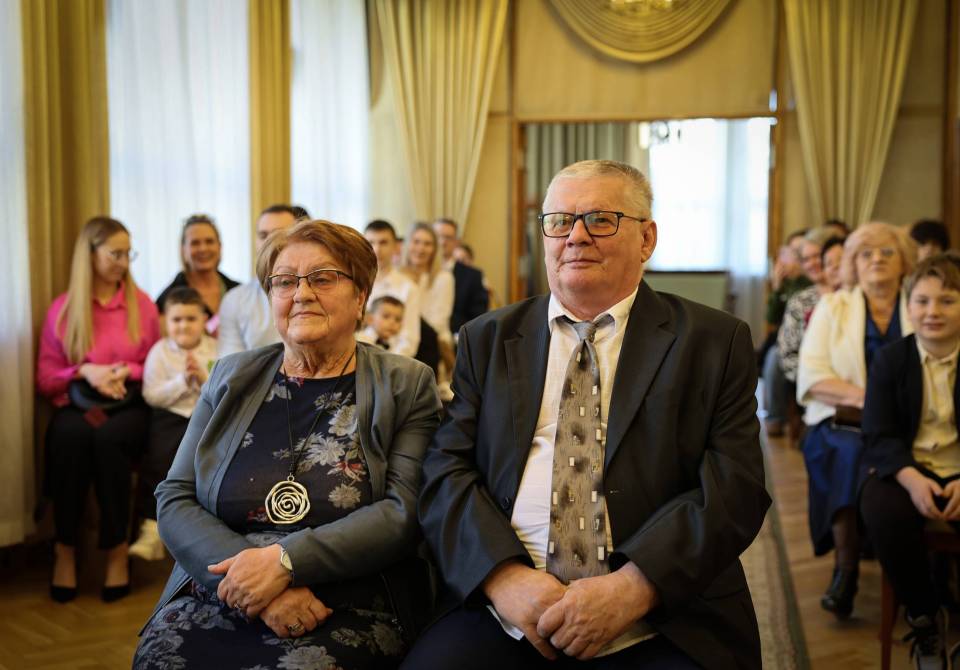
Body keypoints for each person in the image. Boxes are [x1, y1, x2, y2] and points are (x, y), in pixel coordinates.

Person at [405, 160, 770, 669]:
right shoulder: (487, 339)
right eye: (559, 221)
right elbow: (446, 471)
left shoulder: (713, 341)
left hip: (662, 608)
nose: (576, 236)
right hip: (505, 603)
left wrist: (634, 587)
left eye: (600, 219)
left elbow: (735, 487)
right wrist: (503, 578)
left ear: (646, 239)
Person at [134, 219, 441, 669]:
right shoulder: (230, 377)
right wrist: (256, 583)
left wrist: (284, 563)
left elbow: (402, 512)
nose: (301, 294)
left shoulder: (405, 384)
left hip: (345, 598)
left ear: (361, 296)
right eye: (284, 281)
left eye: (323, 278)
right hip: (221, 585)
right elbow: (175, 496)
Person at [36, 216, 160, 603]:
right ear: (90, 255)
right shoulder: (63, 309)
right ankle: (65, 549)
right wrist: (84, 371)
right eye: (115, 254)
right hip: (79, 403)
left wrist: (126, 370)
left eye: (128, 254)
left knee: (110, 440)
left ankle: (116, 550)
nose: (123, 262)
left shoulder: (142, 305)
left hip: (129, 404)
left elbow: (157, 363)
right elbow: (46, 379)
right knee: (67, 437)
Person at [796, 221, 916, 619]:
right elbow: (813, 376)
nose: (876, 260)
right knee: (849, 452)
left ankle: (917, 574)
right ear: (853, 264)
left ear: (904, 262)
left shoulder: (919, 305)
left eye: (887, 252)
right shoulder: (834, 307)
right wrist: (873, 401)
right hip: (842, 421)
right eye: (866, 254)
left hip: (909, 424)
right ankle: (845, 568)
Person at [860, 253, 960, 670]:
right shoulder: (891, 359)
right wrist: (910, 477)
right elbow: (877, 433)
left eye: (947, 301)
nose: (932, 311)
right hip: (907, 466)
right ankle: (924, 618)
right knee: (882, 508)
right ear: (908, 305)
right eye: (922, 301)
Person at [130, 287, 218, 561]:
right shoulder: (159, 352)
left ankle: (205, 529)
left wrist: (201, 378)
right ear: (165, 322)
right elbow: (151, 394)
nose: (183, 326)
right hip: (169, 416)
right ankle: (151, 528)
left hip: (205, 415)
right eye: (176, 320)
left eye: (191, 319)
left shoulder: (216, 349)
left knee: (210, 462)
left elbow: (222, 391)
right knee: (158, 461)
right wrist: (181, 381)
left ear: (204, 320)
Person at [219, 205, 307, 356]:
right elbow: (232, 363)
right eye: (263, 235)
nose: (269, 242)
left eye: (279, 234)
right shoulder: (234, 300)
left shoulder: (316, 294)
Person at [762, 231, 813, 435]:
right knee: (773, 355)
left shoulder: (811, 281)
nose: (795, 256)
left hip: (806, 341)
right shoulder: (787, 283)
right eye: (792, 251)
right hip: (785, 340)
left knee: (776, 356)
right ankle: (775, 417)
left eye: (799, 251)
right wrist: (776, 288)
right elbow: (772, 318)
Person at [778, 232, 846, 384]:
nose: (811, 264)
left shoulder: (851, 295)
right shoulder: (799, 301)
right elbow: (788, 354)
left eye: (816, 256)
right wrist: (814, 380)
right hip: (811, 380)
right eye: (805, 259)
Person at [156, 214, 239, 335]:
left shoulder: (238, 292)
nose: (203, 248)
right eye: (195, 243)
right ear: (183, 250)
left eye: (209, 241)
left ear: (220, 246)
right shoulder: (167, 300)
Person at [365, 220, 421, 356]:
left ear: (396, 247)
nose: (377, 249)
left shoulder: (409, 288)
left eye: (383, 242)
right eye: (371, 242)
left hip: (394, 360)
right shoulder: (355, 283)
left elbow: (409, 340)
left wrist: (386, 365)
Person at [402, 223, 455, 346]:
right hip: (401, 340)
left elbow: (438, 322)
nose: (420, 248)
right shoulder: (398, 276)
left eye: (427, 244)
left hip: (434, 342)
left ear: (435, 249)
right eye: (416, 242)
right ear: (408, 244)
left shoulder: (444, 278)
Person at [434, 218, 489, 334]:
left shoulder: (472, 276)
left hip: (457, 336)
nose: (442, 242)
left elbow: (478, 317)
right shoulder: (419, 272)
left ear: (456, 242)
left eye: (448, 237)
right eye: (438, 236)